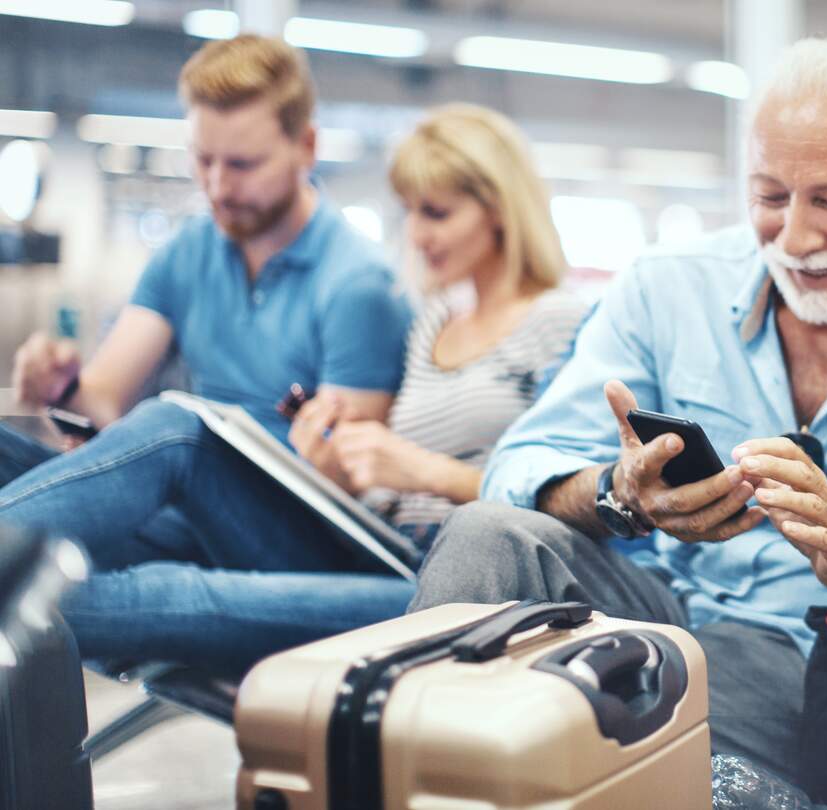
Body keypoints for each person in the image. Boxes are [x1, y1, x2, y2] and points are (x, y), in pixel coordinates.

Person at [406, 38, 827, 781]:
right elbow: (518, 467)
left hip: (820, 651)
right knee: (484, 535)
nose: (793, 239)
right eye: (770, 197)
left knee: (640, 726)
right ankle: (408, 777)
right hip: (655, 603)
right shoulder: (668, 287)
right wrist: (620, 492)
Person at [56, 104, 591, 674]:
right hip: (372, 549)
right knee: (162, 456)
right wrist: (336, 465)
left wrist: (420, 469)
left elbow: (570, 498)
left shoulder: (557, 322)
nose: (416, 235)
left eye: (436, 213)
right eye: (410, 212)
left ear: (500, 211)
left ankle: (22, 600)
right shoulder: (433, 323)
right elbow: (384, 476)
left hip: (453, 583)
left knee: (167, 588)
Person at [0, 34, 410, 574]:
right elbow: (99, 406)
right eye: (203, 159)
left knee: (177, 428)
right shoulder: (186, 254)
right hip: (186, 516)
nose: (217, 186)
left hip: (298, 543)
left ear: (306, 148)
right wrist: (64, 388)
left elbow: (342, 487)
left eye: (242, 165)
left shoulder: (358, 284)